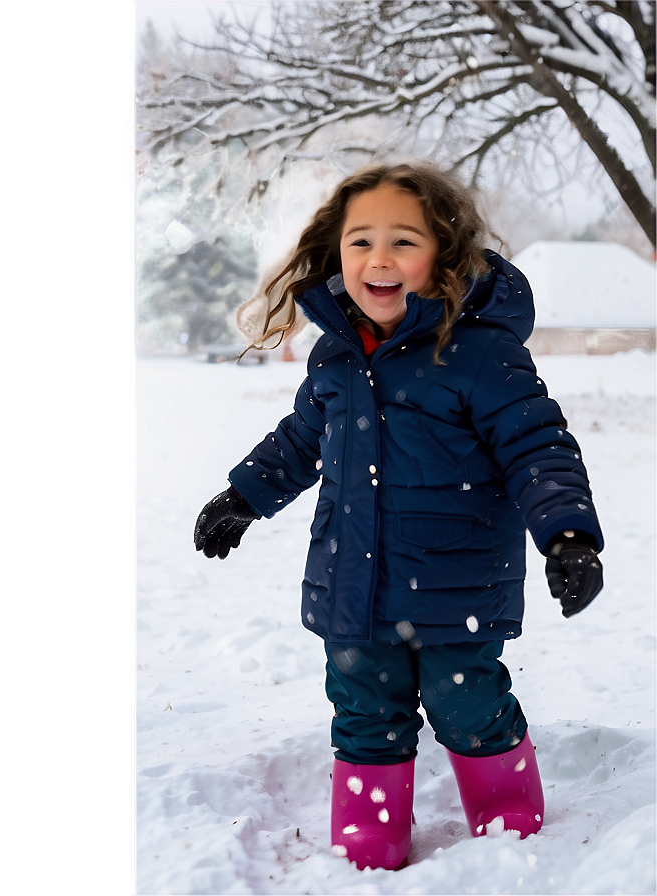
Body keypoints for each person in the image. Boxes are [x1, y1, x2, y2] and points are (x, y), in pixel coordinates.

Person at [193, 161, 604, 870]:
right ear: (336, 253)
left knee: (467, 703)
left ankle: (509, 819)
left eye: (403, 241)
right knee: (363, 709)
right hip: (353, 583)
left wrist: (567, 536)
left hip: (454, 586)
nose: (378, 259)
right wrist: (243, 497)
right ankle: (370, 836)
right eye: (360, 241)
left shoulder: (480, 352)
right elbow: (300, 441)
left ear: (444, 252)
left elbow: (538, 446)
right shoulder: (336, 356)